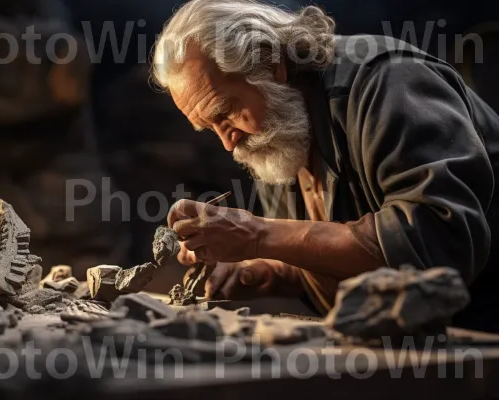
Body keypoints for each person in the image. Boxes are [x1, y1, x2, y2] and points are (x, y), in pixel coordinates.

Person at [150, 0, 499, 332]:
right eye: (210, 128)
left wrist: (259, 235)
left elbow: (437, 244)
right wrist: (265, 267)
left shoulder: (388, 80)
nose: (228, 143)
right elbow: (349, 252)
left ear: (269, 64)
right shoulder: (279, 133)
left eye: (224, 112)